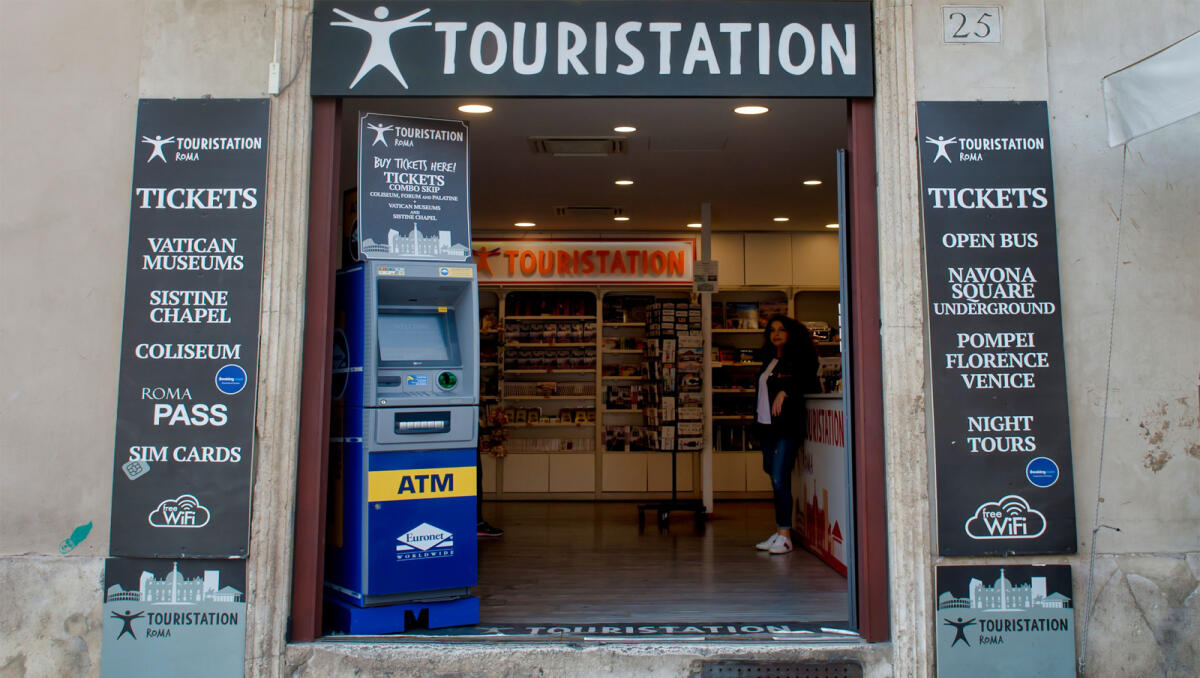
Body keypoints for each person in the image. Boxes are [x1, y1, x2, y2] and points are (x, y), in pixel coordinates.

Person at [753, 315, 819, 555]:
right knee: (774, 476)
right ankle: (781, 530)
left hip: (786, 427)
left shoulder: (799, 358)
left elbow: (808, 381)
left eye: (781, 329)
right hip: (767, 426)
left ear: (791, 332)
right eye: (772, 330)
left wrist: (785, 391)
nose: (776, 334)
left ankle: (785, 535)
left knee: (779, 478)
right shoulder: (769, 359)